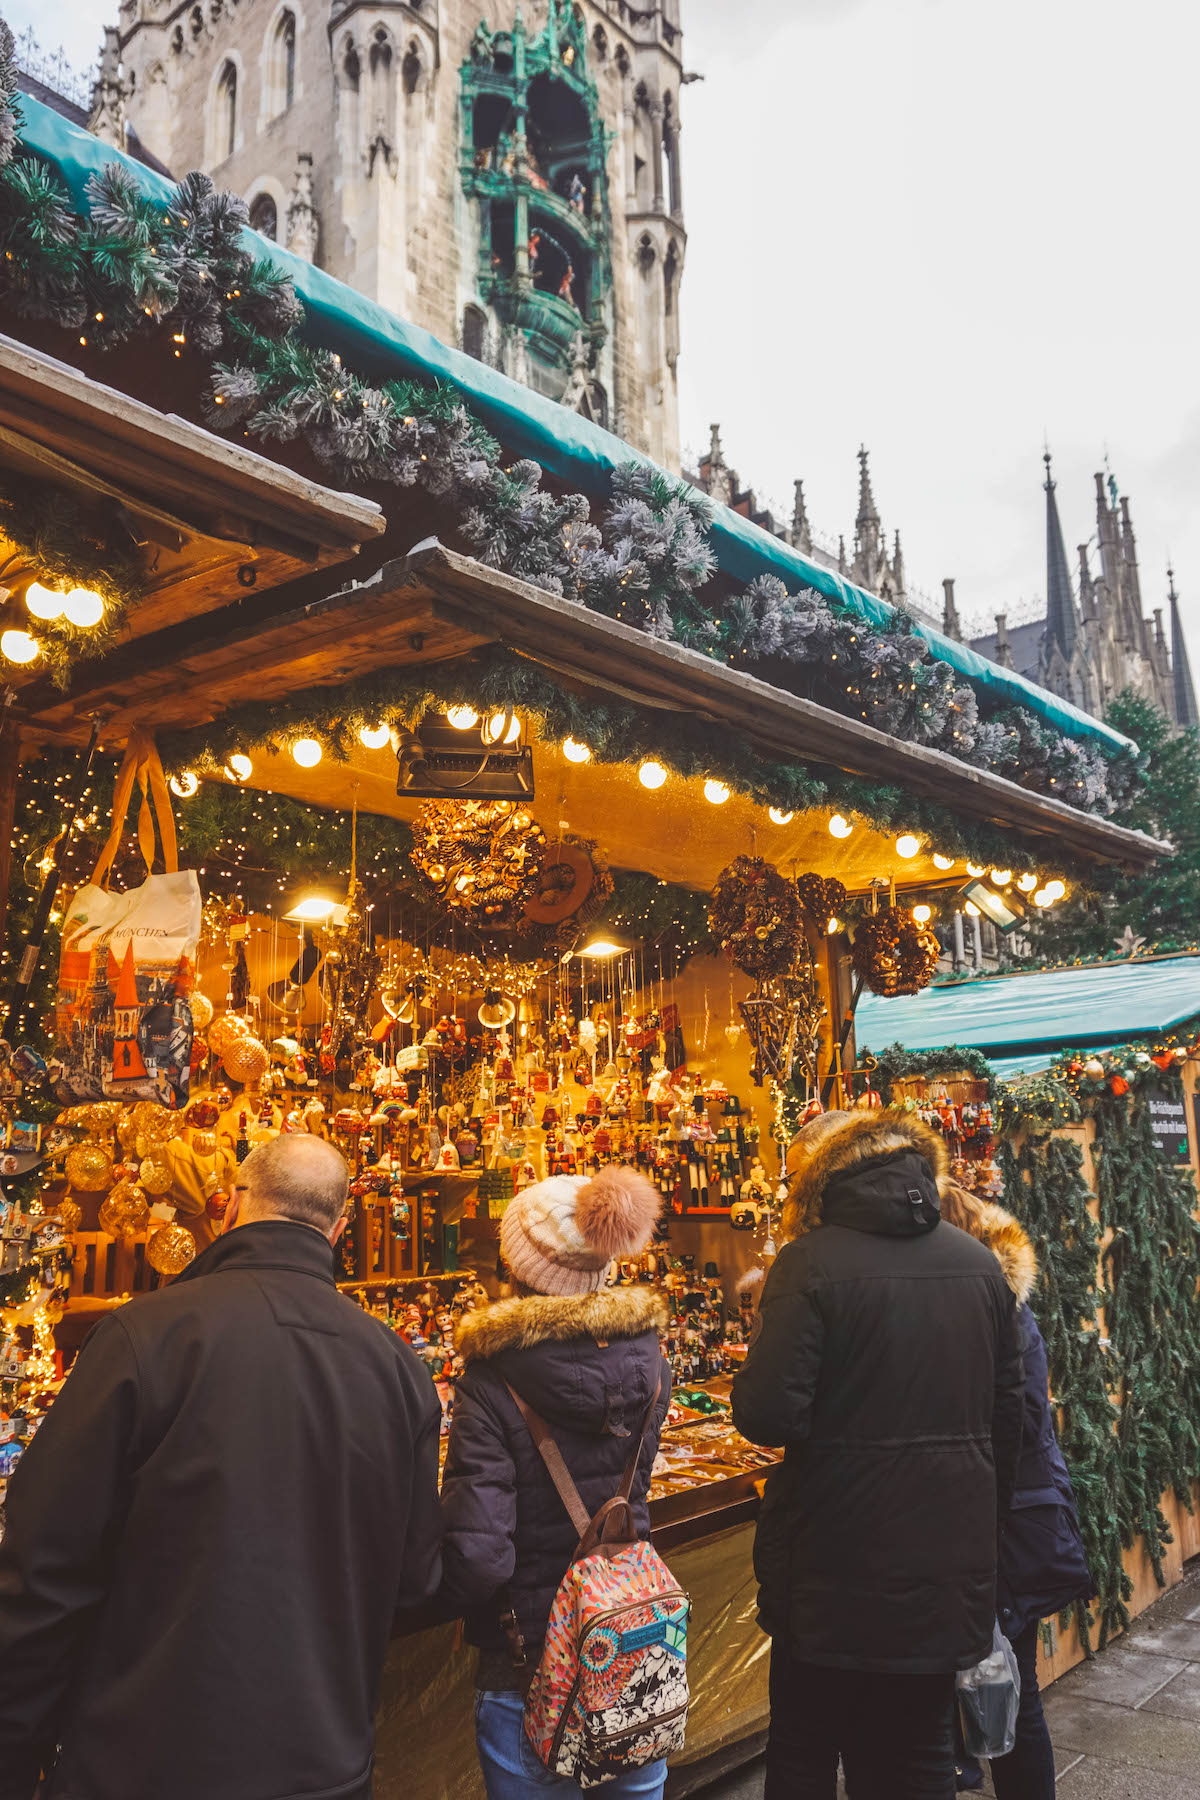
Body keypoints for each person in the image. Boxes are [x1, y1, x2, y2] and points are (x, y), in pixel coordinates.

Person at [0, 1132, 443, 1800]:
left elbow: (44, 1571)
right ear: (340, 1225)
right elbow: (414, 1580)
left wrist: (14, 1750)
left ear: (232, 1204)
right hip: (324, 1764)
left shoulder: (143, 1336)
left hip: (141, 1763)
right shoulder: (396, 1364)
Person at [731, 1107, 1025, 1800]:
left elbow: (767, 1414)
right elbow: (1007, 1417)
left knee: (804, 1749)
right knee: (918, 1758)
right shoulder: (978, 1264)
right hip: (942, 1567)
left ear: (821, 1179)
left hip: (832, 1568)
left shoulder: (809, 1262)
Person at [440, 1166, 671, 1800]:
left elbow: (481, 1553)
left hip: (532, 1659)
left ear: (516, 1266)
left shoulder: (490, 1380)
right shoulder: (649, 1357)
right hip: (630, 1640)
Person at [938, 1185, 1091, 1798]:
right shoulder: (1001, 1304)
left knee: (1014, 1687)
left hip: (1004, 1526)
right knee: (998, 1679)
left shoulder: (991, 1312)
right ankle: (965, 1762)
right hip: (1005, 1518)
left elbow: (1016, 1429)